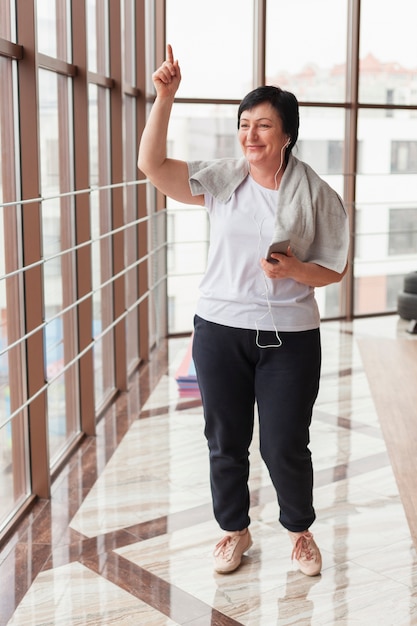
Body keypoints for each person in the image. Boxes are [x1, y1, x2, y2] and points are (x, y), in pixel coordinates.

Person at [138, 44, 349, 577]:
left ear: (287, 135)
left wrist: (296, 271)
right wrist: (165, 98)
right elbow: (152, 165)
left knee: (285, 444)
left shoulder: (318, 195)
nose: (250, 135)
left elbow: (335, 267)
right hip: (220, 329)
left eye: (263, 126)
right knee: (225, 439)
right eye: (244, 124)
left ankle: (300, 532)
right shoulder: (220, 181)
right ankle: (234, 530)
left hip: (291, 336)